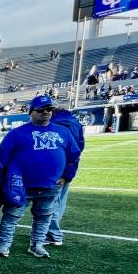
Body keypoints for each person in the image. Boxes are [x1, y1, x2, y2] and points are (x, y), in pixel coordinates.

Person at [0, 95, 81, 259]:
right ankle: (4, 245)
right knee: (11, 216)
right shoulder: (17, 133)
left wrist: (67, 177)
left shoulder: (63, 132)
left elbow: (74, 156)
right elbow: (1, 156)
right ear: (31, 112)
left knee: (44, 217)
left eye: (49, 109)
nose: (46, 112)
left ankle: (37, 245)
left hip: (51, 186)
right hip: (21, 186)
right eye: (41, 110)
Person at [45, 102, 85, 248]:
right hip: (69, 167)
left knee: (50, 202)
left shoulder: (55, 125)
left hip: (55, 169)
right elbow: (79, 148)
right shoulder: (75, 123)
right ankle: (48, 231)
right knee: (59, 201)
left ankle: (53, 234)